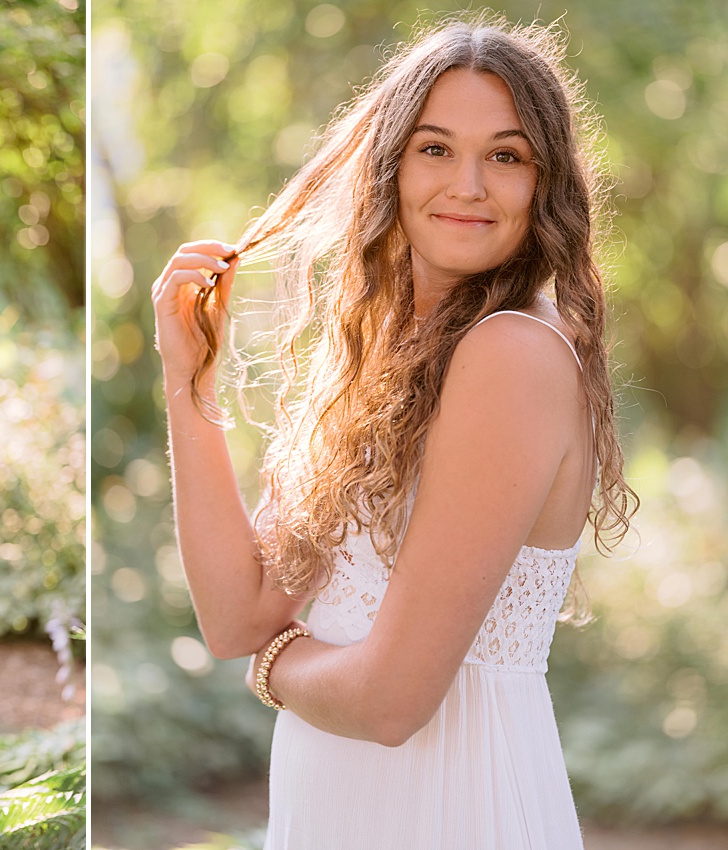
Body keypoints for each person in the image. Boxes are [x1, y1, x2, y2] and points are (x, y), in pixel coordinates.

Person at [150, 16, 635, 849]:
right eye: (436, 149)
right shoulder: (380, 363)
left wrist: (272, 667)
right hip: (336, 807)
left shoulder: (511, 353)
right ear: (391, 165)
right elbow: (235, 615)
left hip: (449, 808)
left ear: (544, 183)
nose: (470, 185)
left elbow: (387, 702)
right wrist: (188, 381)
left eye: (506, 156)